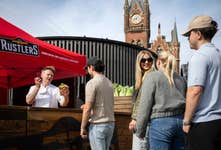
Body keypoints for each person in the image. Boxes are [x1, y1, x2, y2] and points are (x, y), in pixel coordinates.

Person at [182, 15, 221, 150]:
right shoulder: (218, 55)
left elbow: (195, 91)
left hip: (203, 124)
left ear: (198, 34)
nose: (187, 38)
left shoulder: (199, 57)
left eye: (189, 34)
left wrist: (186, 121)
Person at [136, 51, 186, 150]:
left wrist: (140, 131)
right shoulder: (181, 79)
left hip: (160, 124)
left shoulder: (152, 77)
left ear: (158, 62)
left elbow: (144, 106)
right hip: (180, 122)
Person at [80, 57, 115, 150]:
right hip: (110, 124)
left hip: (98, 125)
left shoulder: (92, 83)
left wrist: (82, 127)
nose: (87, 71)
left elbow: (87, 108)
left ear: (91, 67)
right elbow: (104, 103)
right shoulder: (109, 83)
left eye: (87, 68)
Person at [128, 50, 155, 150]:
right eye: (143, 60)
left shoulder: (150, 76)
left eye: (149, 60)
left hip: (145, 122)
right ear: (139, 62)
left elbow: (142, 100)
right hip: (148, 122)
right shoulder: (143, 77)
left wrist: (135, 118)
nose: (146, 62)